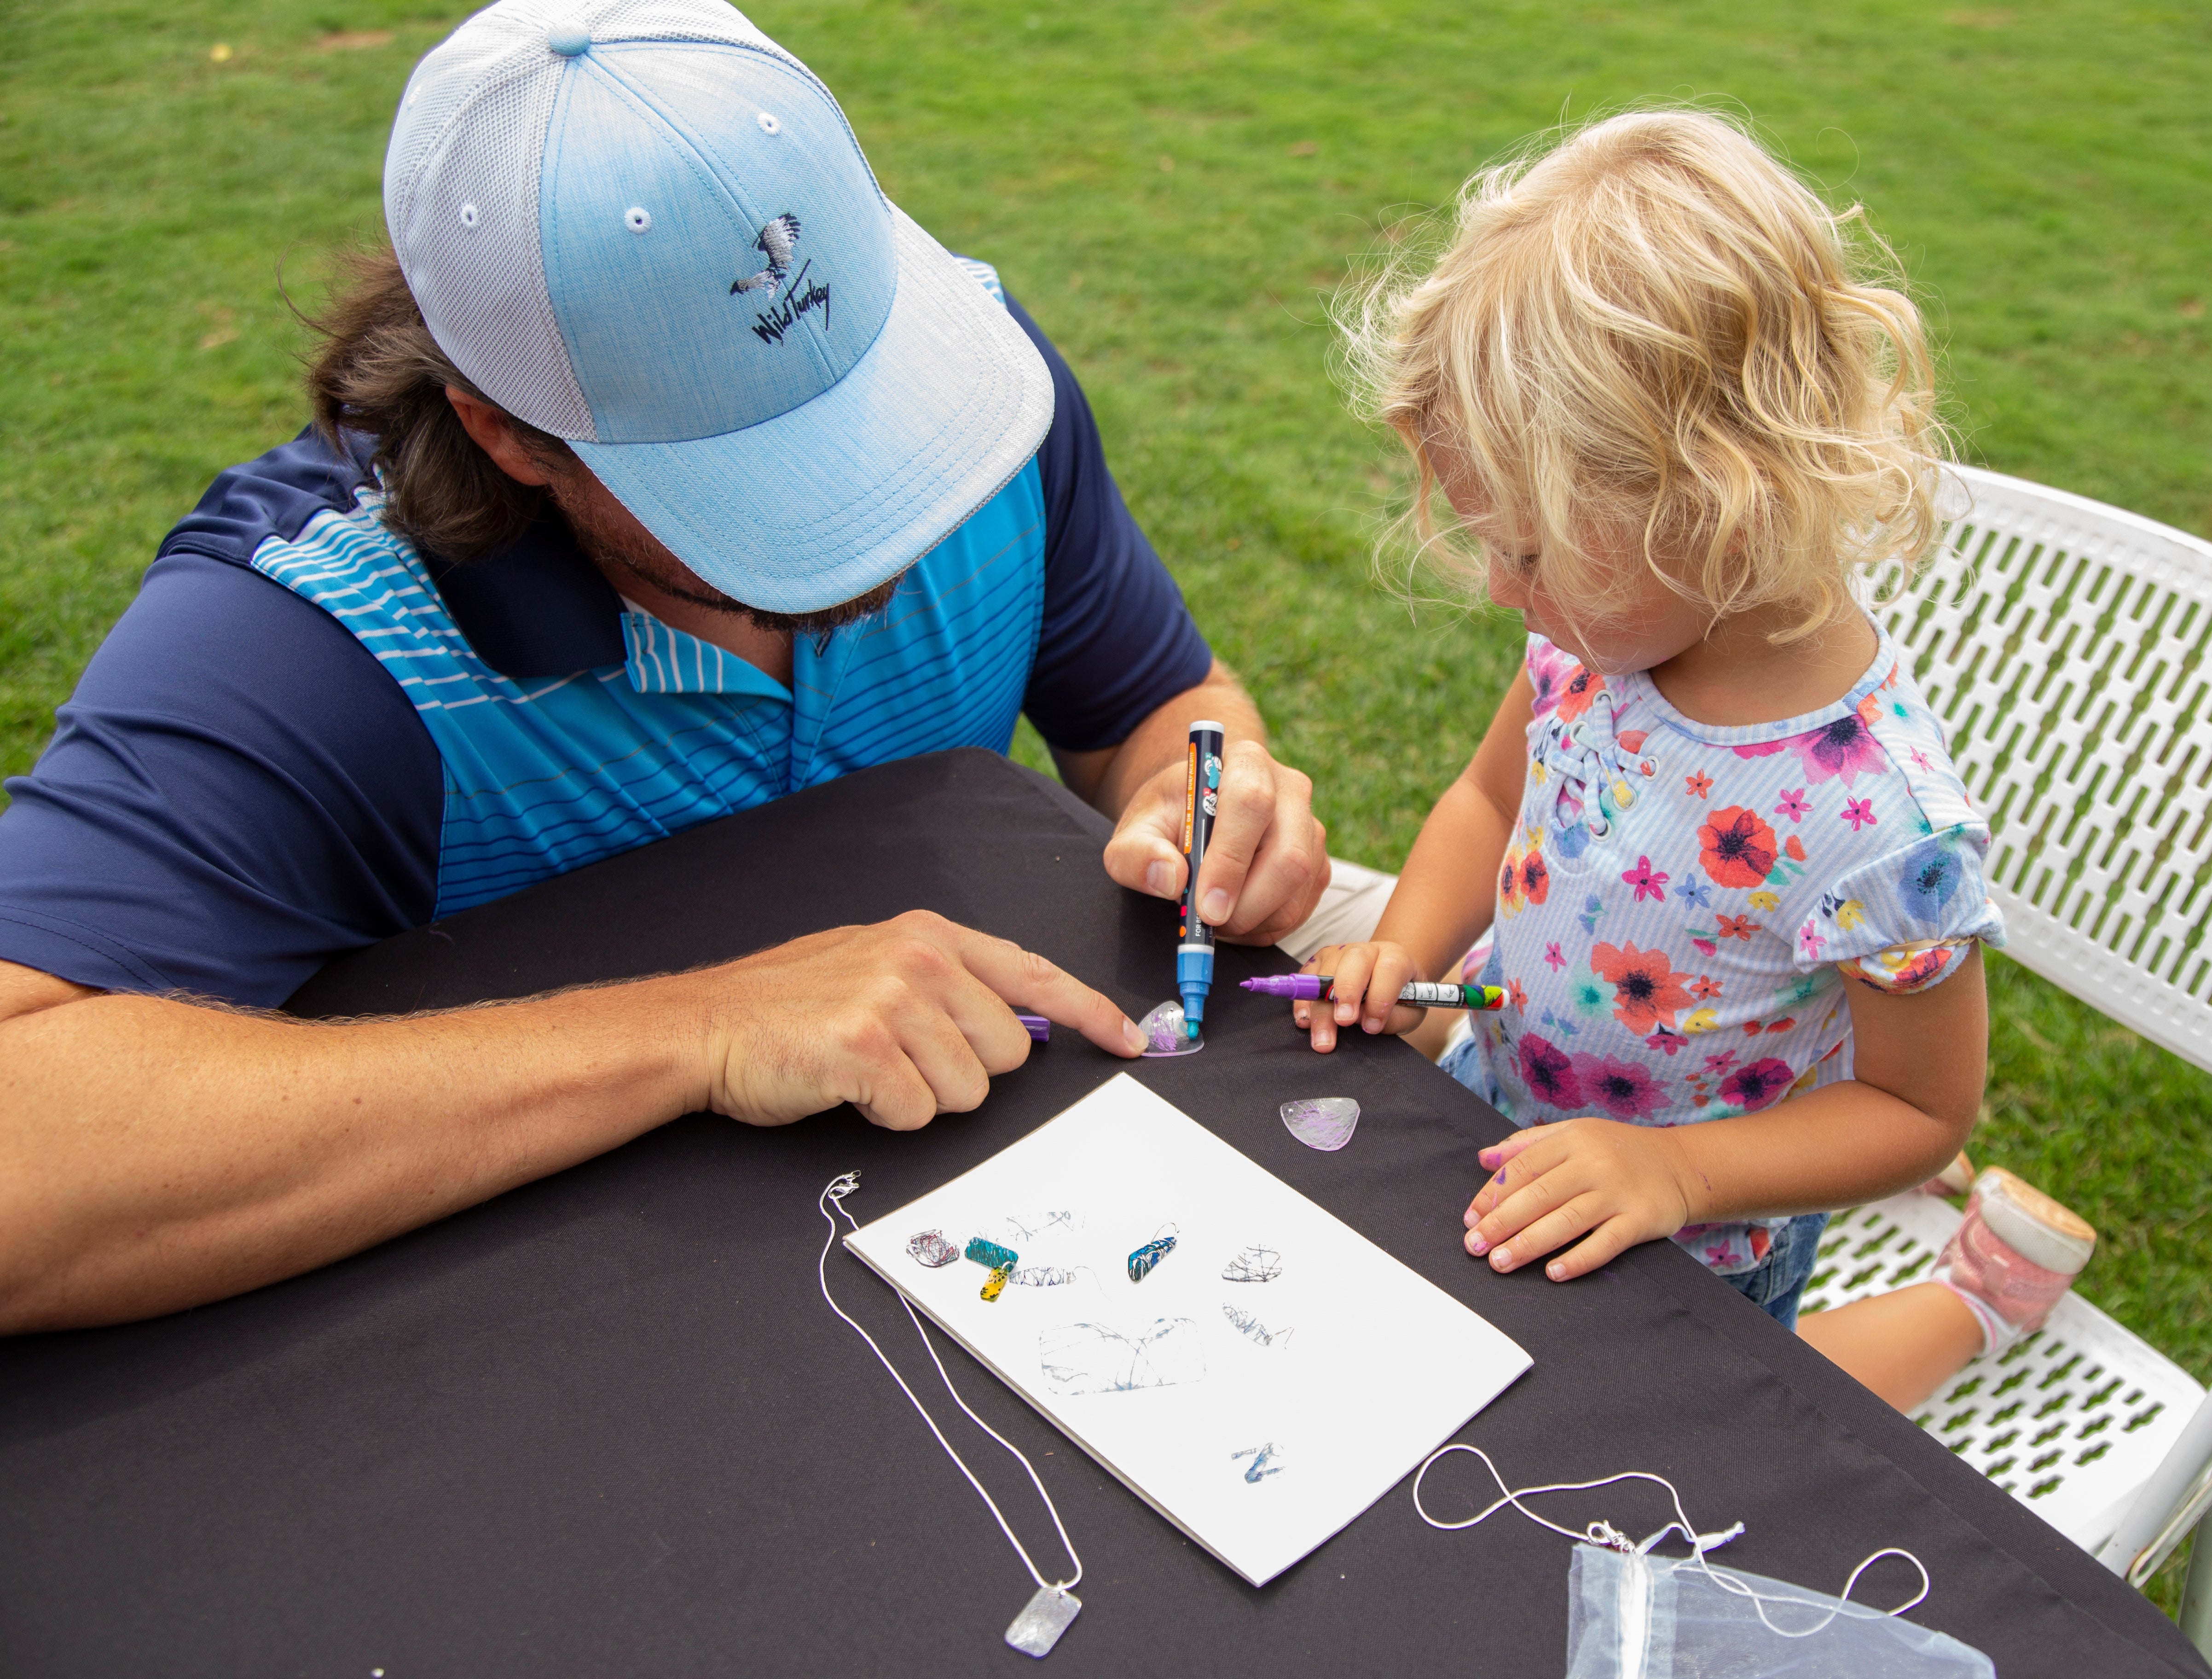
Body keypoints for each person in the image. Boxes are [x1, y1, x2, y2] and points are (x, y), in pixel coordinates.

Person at [0, 0, 1329, 1333]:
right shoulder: (308, 645)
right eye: (751, 478)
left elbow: (1155, 709)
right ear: (506, 434)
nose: (879, 502)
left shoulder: (985, 389)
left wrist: (1205, 789)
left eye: (869, 404)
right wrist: (703, 1030)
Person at [1294, 110, 2096, 1411]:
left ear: (1716, 505)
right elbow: (1490, 798)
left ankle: (1977, 1298)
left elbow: (1916, 1112)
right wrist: (1410, 945)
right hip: (1502, 1120)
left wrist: (1677, 1178)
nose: (1501, 588)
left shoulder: (1878, 822)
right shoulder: (1597, 644)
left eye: (1532, 553)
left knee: (1662, 1447)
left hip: (1691, 1249)